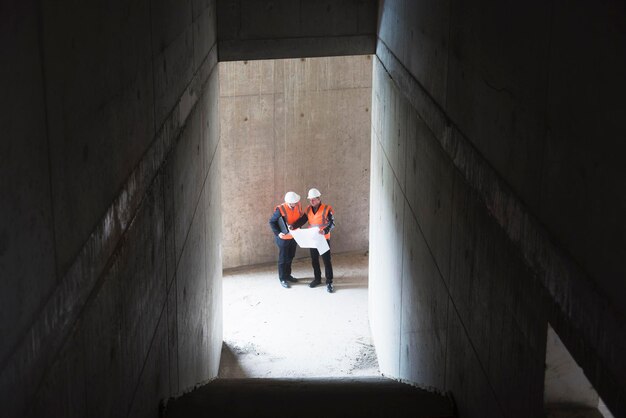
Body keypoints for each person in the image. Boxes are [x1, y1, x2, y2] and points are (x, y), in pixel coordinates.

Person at [291, 188, 335, 293]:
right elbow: (303, 220)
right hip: (313, 238)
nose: (312, 201)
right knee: (314, 260)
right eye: (310, 200)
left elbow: (332, 223)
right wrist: (293, 226)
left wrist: (325, 230)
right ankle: (317, 279)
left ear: (319, 199)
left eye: (313, 199)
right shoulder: (308, 209)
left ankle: (329, 281)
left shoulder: (327, 208)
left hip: (323, 238)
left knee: (326, 261)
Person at [269, 191, 303, 288]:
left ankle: (288, 275)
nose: (296, 204)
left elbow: (300, 217)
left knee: (290, 256)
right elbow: (272, 222)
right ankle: (282, 278)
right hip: (283, 238)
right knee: (283, 259)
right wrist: (278, 233)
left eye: (296, 202)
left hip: (294, 236)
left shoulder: (298, 205)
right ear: (289, 202)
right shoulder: (281, 209)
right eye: (294, 203)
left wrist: (297, 227)